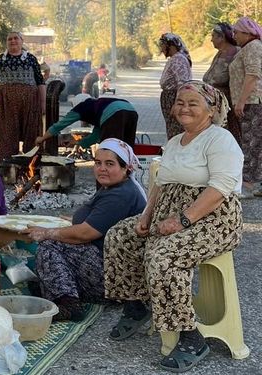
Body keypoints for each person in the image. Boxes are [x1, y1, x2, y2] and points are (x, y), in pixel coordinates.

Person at [104, 81, 242, 373]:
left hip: (213, 220)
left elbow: (220, 188)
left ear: (211, 108)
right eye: (180, 102)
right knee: (120, 236)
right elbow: (161, 184)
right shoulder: (176, 141)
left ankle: (191, 337)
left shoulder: (220, 139)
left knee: (164, 256)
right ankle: (137, 303)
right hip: (169, 214)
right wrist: (146, 215)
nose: (184, 108)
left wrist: (182, 220)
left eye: (193, 103)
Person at [22, 138, 146, 321]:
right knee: (53, 249)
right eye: (98, 163)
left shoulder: (121, 195)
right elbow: (94, 220)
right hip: (110, 265)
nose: (101, 168)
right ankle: (55, 289)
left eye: (109, 164)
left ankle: (68, 304)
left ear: (125, 168)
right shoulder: (113, 186)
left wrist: (46, 232)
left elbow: (85, 234)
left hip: (117, 278)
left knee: (49, 246)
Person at [0, 31, 46, 163]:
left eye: (16, 38)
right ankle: (6, 163)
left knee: (31, 131)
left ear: (22, 41)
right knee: (6, 132)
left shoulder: (31, 58)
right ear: (6, 42)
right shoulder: (0, 59)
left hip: (30, 101)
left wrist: (42, 103)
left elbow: (40, 82)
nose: (13, 41)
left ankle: (31, 162)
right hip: (6, 102)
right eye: (10, 39)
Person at [229, 17, 262, 198]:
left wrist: (241, 101)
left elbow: (252, 74)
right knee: (254, 143)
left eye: (236, 32)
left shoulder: (254, 46)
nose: (234, 35)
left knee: (252, 144)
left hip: (253, 102)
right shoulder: (248, 48)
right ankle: (254, 183)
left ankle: (248, 185)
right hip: (250, 101)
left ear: (247, 33)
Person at [35, 94, 138, 149]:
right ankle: (128, 176)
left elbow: (60, 125)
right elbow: (95, 136)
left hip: (115, 114)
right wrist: (76, 142)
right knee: (127, 147)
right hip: (132, 111)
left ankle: (108, 185)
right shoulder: (98, 108)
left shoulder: (81, 108)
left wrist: (42, 138)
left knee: (110, 149)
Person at [203, 23, 240, 145]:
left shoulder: (235, 53)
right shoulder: (220, 53)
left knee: (229, 137)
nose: (211, 39)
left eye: (213, 36)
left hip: (227, 105)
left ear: (222, 37)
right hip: (214, 103)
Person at [158, 33, 192, 139]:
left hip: (174, 98)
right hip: (170, 98)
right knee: (172, 129)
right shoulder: (174, 58)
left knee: (176, 131)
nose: (161, 48)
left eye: (162, 45)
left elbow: (183, 84)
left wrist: (177, 103)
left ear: (171, 46)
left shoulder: (179, 60)